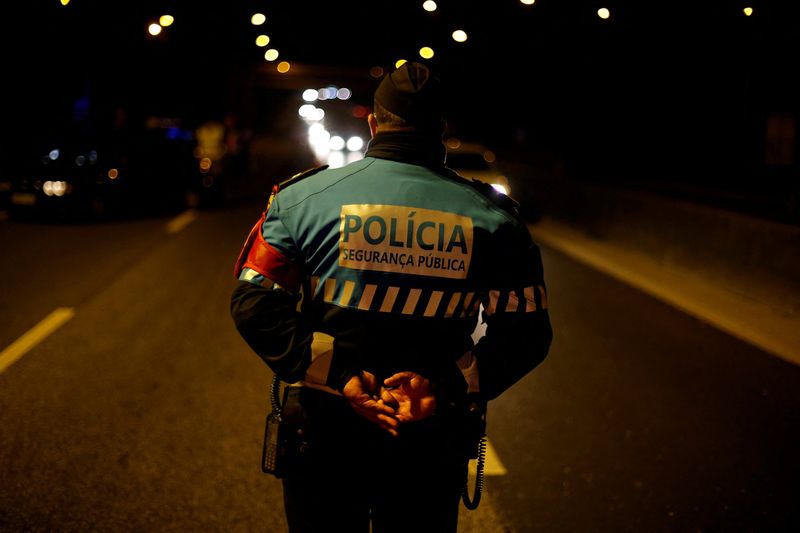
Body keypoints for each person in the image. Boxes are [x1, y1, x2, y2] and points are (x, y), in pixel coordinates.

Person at [230, 60, 553, 533]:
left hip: (324, 430)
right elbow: (526, 333)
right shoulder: (496, 220)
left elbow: (255, 303)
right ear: (442, 128)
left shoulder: (301, 200)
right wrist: (443, 386)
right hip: (429, 438)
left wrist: (340, 375)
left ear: (373, 122)